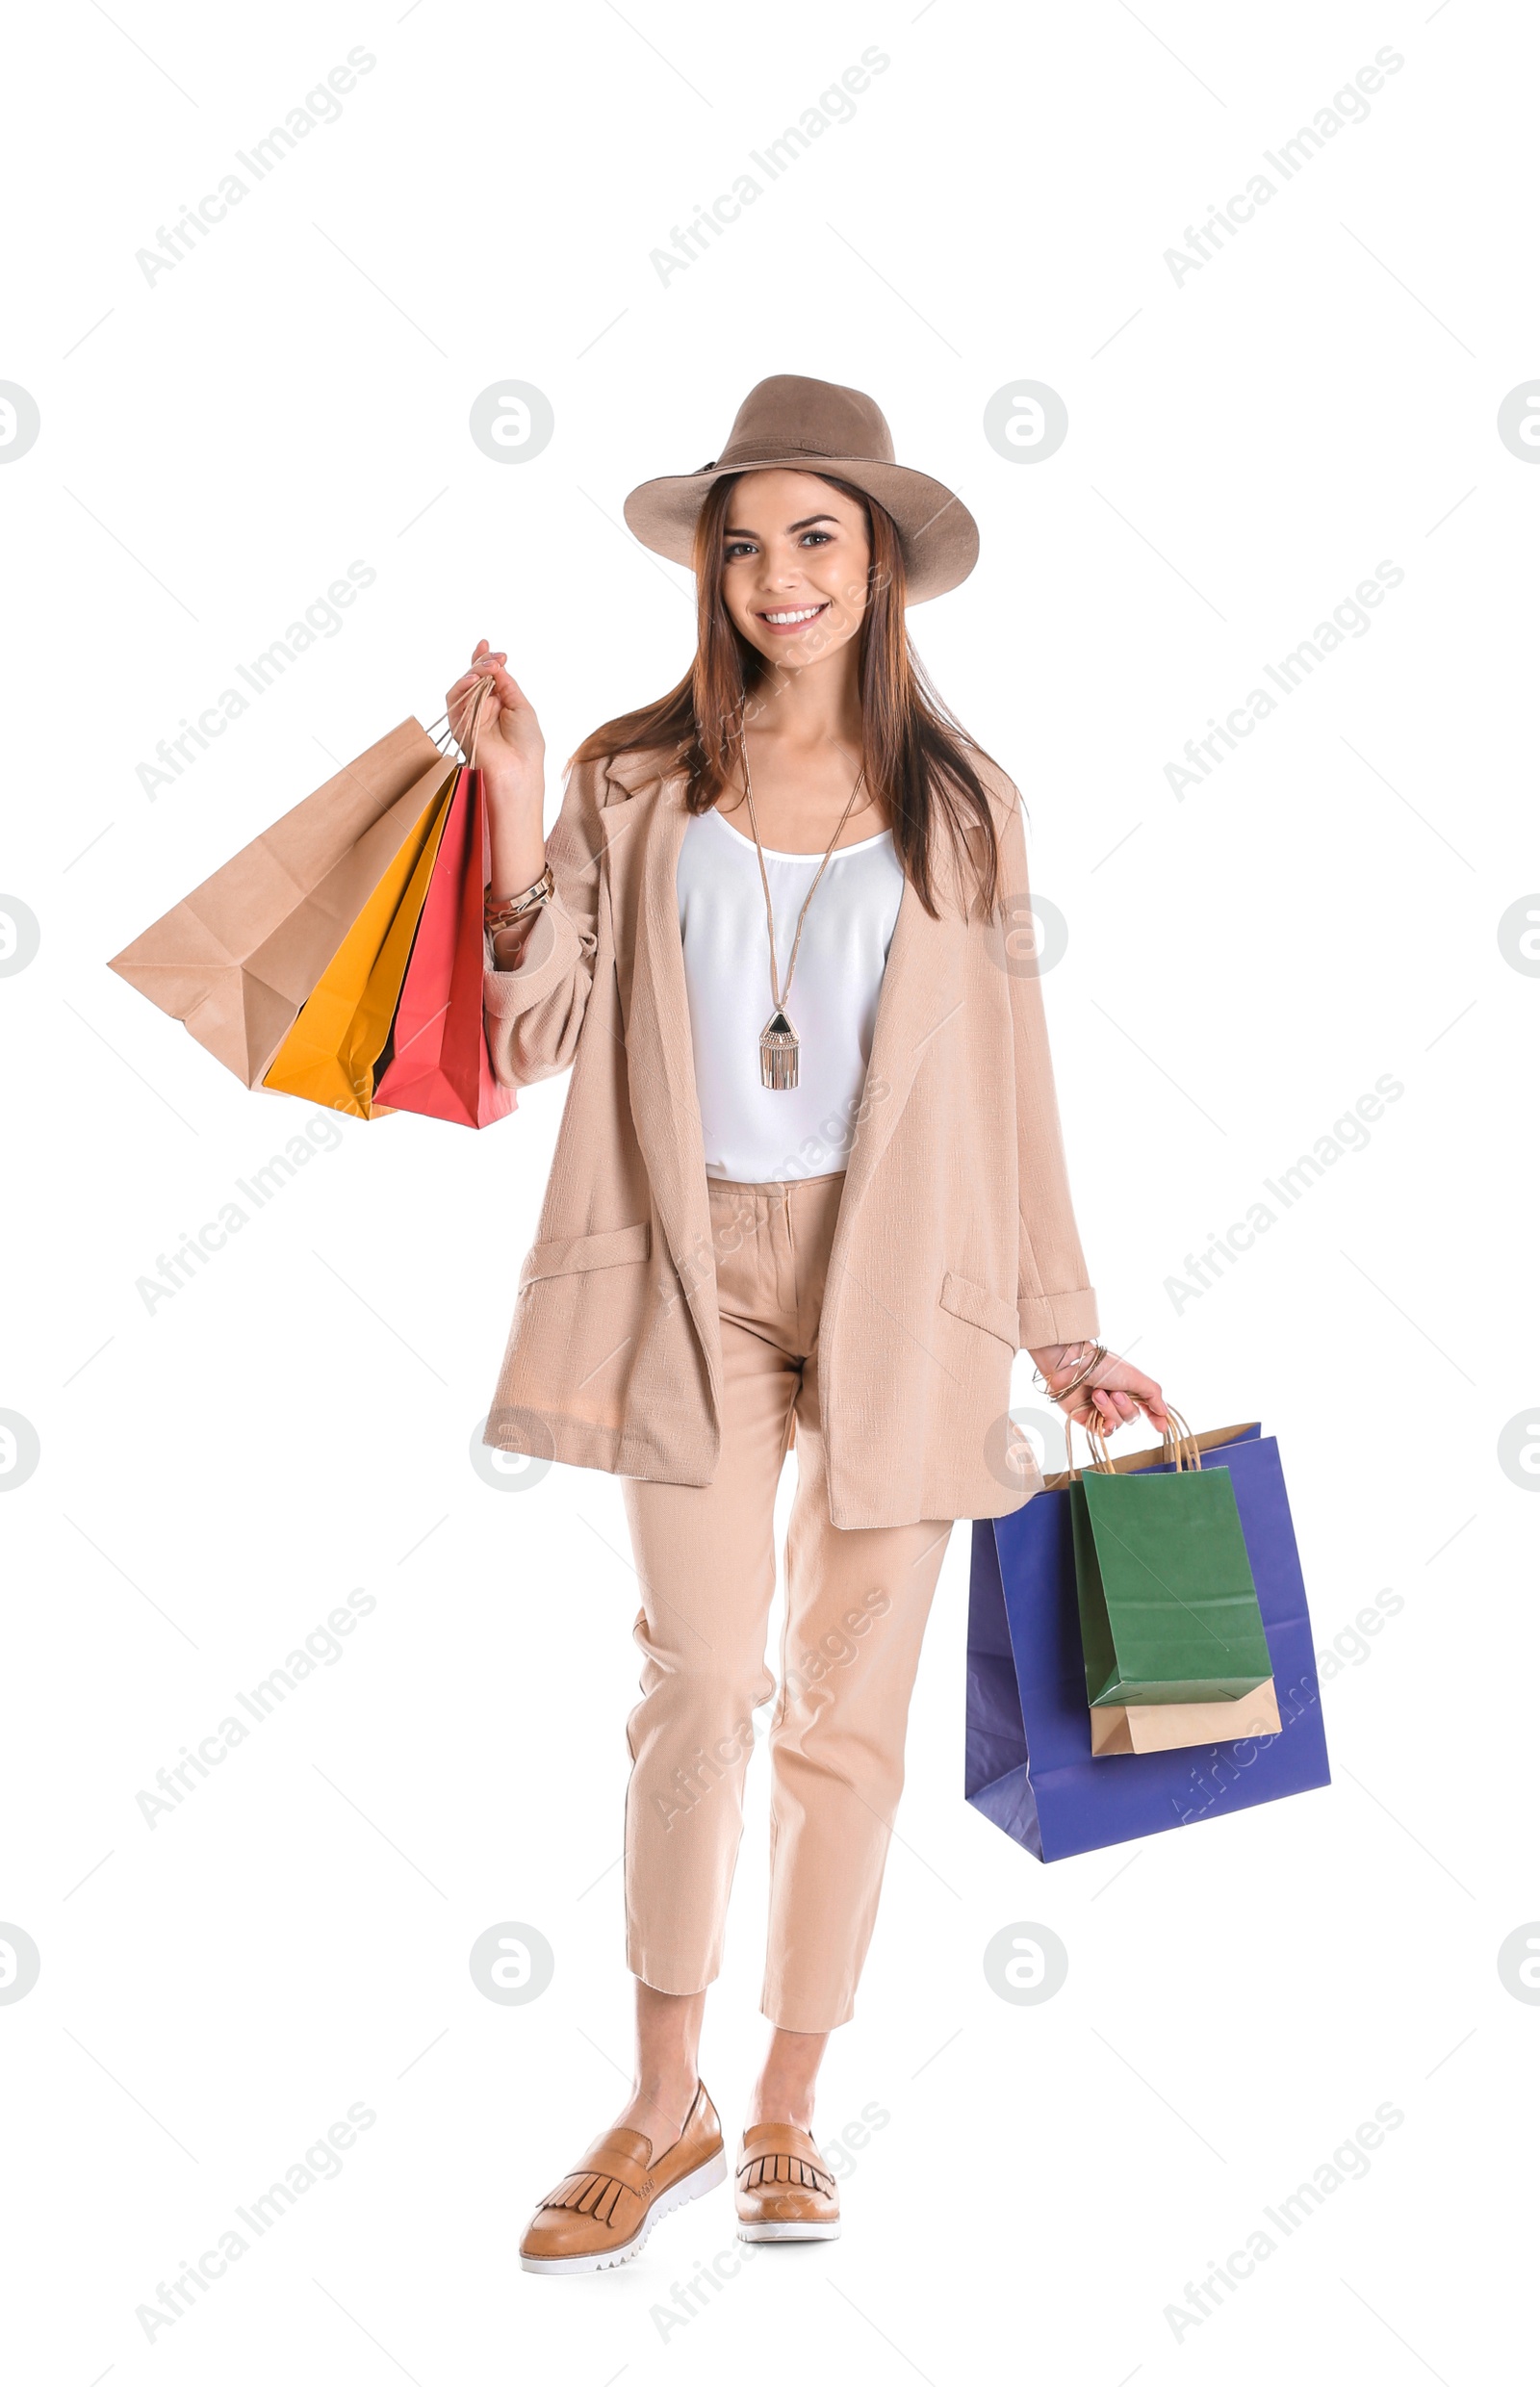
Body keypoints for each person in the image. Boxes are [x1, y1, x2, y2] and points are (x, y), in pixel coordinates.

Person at [448, 374, 1168, 2275]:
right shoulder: (629, 779)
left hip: (905, 1277)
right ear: (713, 568)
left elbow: (1008, 1079)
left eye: (813, 537)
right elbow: (527, 1038)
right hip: (683, 1274)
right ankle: (656, 2096)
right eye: (745, 541)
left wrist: (1062, 1330)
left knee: (843, 1717)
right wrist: (516, 810)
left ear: (877, 564)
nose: (777, 574)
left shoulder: (960, 801)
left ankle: (783, 2105)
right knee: (699, 1681)